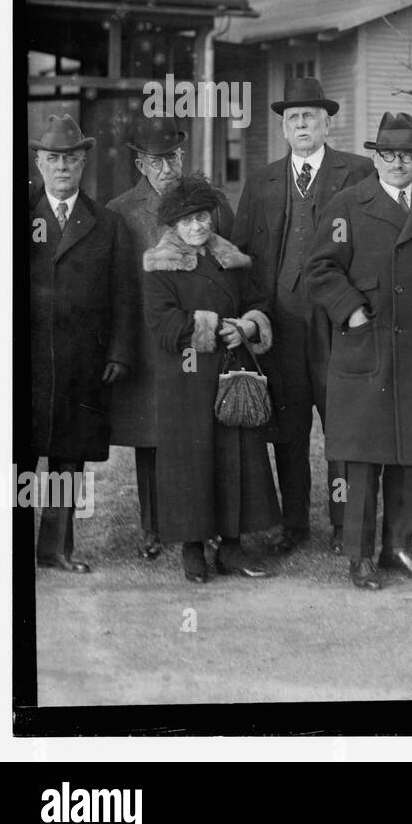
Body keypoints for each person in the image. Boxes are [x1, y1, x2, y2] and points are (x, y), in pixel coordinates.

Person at [307, 112, 412, 591]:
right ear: (377, 158)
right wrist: (351, 310)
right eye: (390, 155)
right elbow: (320, 270)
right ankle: (359, 556)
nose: (399, 163)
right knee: (362, 460)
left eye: (409, 155)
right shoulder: (348, 205)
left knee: (411, 456)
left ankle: (399, 547)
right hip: (367, 348)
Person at [233, 77, 375, 556]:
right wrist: (254, 315)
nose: (301, 124)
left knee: (343, 426)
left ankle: (343, 523)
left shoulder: (357, 172)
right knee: (288, 432)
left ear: (326, 122)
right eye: (293, 118)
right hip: (283, 328)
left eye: (310, 116)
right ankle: (294, 525)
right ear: (283, 128)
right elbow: (245, 255)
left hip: (337, 326)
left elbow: (371, 247)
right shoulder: (262, 182)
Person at [142, 174, 279, 584]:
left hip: (231, 374)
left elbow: (258, 302)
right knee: (192, 462)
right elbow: (162, 322)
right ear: (173, 225)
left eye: (203, 217)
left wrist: (249, 327)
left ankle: (233, 548)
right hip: (185, 380)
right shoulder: (159, 264)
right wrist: (215, 324)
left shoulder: (231, 259)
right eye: (188, 220)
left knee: (235, 459)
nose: (198, 226)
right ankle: (193, 548)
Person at [108, 115, 233, 561]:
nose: (167, 168)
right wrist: (121, 349)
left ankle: (205, 523)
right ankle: (153, 526)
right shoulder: (121, 211)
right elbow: (120, 286)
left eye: (174, 157)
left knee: (199, 430)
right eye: (157, 161)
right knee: (152, 434)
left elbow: (229, 265)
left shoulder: (208, 203)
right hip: (149, 340)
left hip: (200, 336)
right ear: (141, 164)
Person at [27, 114, 136, 573]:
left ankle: (54, 550)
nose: (62, 167)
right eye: (53, 158)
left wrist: (118, 351)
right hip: (27, 362)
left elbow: (124, 295)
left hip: (80, 362)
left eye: (71, 158)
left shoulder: (107, 223)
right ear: (38, 161)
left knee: (68, 457)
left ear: (84, 161)